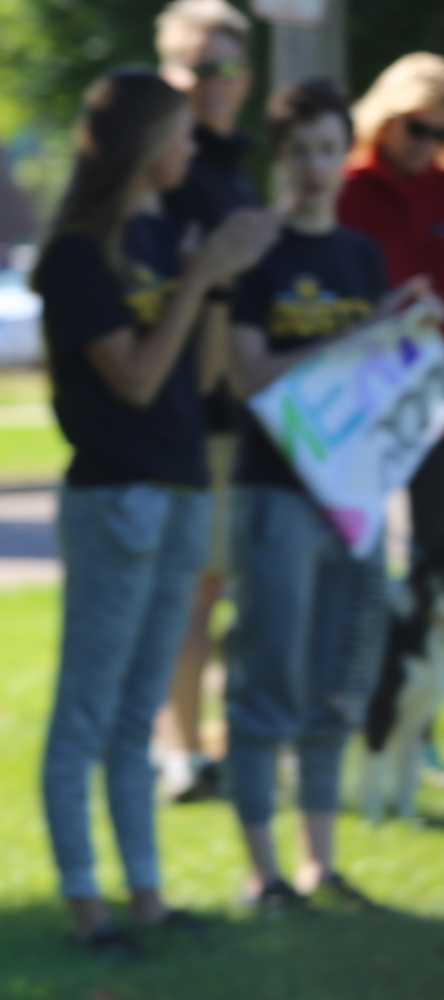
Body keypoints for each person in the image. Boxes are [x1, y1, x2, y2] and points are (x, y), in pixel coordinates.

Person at [32, 69, 278, 954]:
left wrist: (218, 280)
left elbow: (204, 375)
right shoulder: (76, 253)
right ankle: (84, 903)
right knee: (88, 712)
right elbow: (134, 377)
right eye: (177, 134)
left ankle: (145, 894)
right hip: (116, 495)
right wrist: (198, 275)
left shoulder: (166, 235)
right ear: (140, 145)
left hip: (180, 487)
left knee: (139, 713)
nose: (190, 149)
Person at [225, 78, 405, 912]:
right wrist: (348, 344)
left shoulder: (361, 258)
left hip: (353, 503)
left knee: (337, 685)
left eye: (329, 149)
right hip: (275, 499)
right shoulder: (258, 255)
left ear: (344, 155)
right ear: (282, 159)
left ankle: (318, 867)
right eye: (299, 151)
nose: (314, 166)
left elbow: (370, 388)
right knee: (270, 683)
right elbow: (249, 375)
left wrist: (397, 336)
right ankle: (264, 875)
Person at [153, 0, 261, 804]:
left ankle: (201, 739)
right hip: (173, 416)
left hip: (235, 415)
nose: (213, 83)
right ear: (168, 72)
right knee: (190, 592)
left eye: (226, 67)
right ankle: (180, 753)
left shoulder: (233, 164)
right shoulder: (162, 169)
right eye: (197, 66)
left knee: (216, 588)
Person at [338, 53, 444, 772]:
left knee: (433, 560)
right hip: (359, 400)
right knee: (355, 559)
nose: (426, 143)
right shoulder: (351, 189)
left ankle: (415, 722)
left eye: (439, 133)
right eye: (417, 128)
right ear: (387, 118)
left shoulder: (439, 186)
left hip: (430, 400)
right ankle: (346, 712)